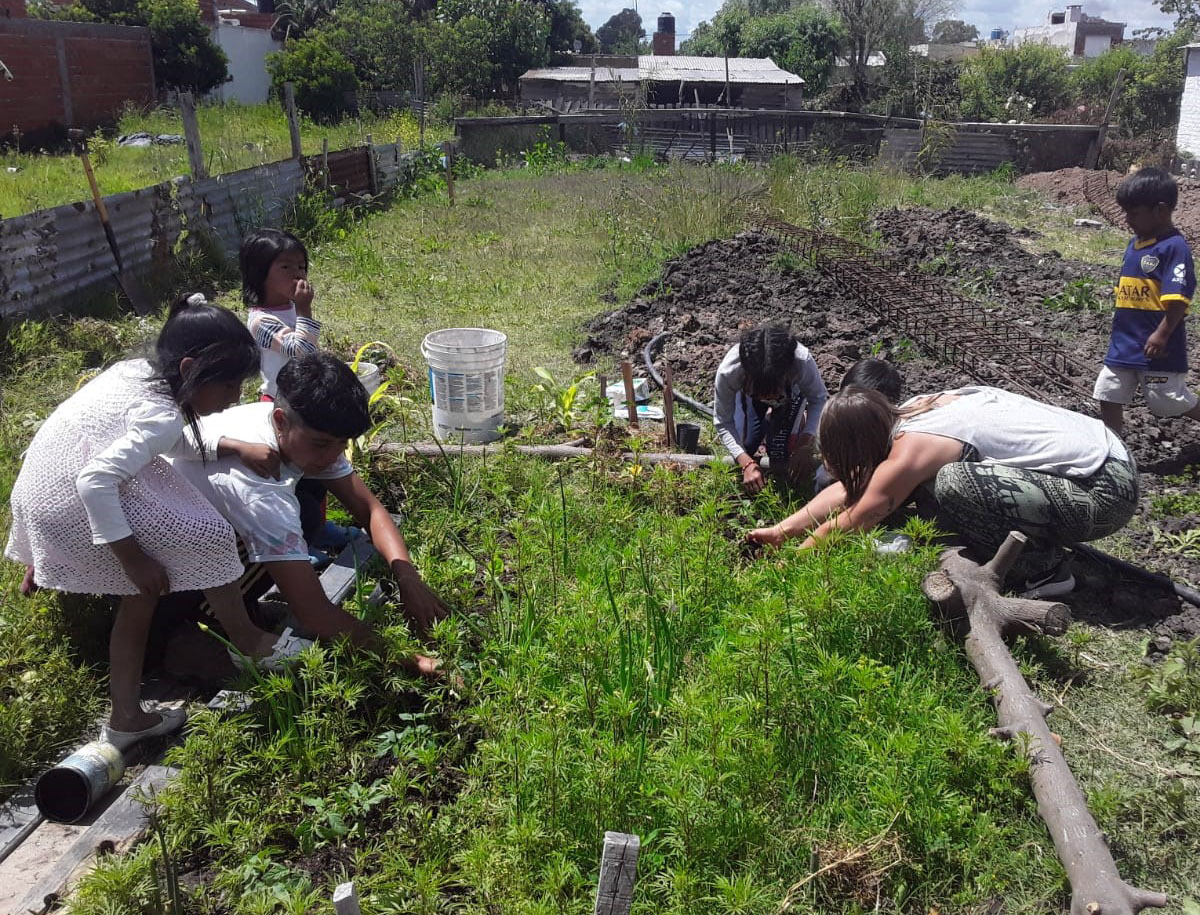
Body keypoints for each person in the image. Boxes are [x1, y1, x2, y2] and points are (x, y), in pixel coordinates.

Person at [5, 296, 306, 746]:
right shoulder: (163, 414)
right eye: (227, 386)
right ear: (188, 370)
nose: (233, 398)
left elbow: (156, 438)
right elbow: (97, 481)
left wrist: (231, 446)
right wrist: (132, 560)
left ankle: (127, 716)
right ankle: (247, 639)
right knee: (203, 535)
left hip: (43, 488)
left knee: (144, 592)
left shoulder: (134, 373)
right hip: (74, 498)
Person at [169, 351, 447, 671]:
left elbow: (370, 510)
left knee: (307, 512)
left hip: (193, 531)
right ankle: (200, 631)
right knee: (297, 520)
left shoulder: (293, 425)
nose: (333, 455)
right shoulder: (260, 492)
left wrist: (408, 577)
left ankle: (236, 608)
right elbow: (313, 613)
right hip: (159, 573)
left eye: (342, 444)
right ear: (280, 422)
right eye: (321, 444)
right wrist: (414, 661)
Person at [748, 385, 1138, 598]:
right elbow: (853, 492)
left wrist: (792, 563)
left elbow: (865, 510)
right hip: (1100, 452)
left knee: (951, 485)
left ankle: (1044, 568)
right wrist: (780, 532)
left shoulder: (915, 447)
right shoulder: (910, 411)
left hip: (1106, 490)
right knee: (934, 490)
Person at [240, 227, 351, 560]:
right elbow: (300, 351)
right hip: (280, 408)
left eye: (301, 266)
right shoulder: (261, 321)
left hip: (306, 403)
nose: (297, 274)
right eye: (285, 267)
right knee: (294, 481)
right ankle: (301, 538)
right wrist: (305, 313)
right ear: (260, 274)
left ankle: (319, 527)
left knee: (317, 473)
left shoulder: (288, 311)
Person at [1093, 167, 1200, 434]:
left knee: (1167, 400)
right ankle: (1114, 449)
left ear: (1160, 211)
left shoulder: (1174, 248)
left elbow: (1178, 300)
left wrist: (1161, 335)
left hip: (1157, 349)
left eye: (1134, 213)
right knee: (1108, 392)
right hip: (1124, 342)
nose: (1128, 219)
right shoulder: (1134, 244)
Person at [714, 323, 829, 494]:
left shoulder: (801, 362)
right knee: (746, 445)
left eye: (772, 390)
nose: (768, 397)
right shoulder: (730, 372)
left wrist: (806, 443)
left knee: (782, 453)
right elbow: (723, 421)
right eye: (762, 391)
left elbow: (819, 399)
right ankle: (765, 420)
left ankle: (794, 421)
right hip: (749, 398)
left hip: (790, 396)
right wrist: (746, 462)